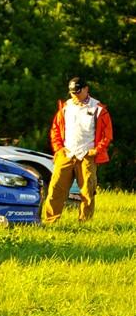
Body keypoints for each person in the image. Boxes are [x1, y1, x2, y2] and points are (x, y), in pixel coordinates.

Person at [42, 76, 113, 223]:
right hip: (66, 154)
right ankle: (50, 221)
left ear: (86, 89)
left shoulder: (98, 109)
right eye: (72, 92)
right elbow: (55, 129)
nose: (75, 95)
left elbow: (107, 134)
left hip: (87, 155)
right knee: (56, 188)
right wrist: (59, 149)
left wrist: (96, 150)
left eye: (78, 92)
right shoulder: (65, 107)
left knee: (87, 191)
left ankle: (84, 222)